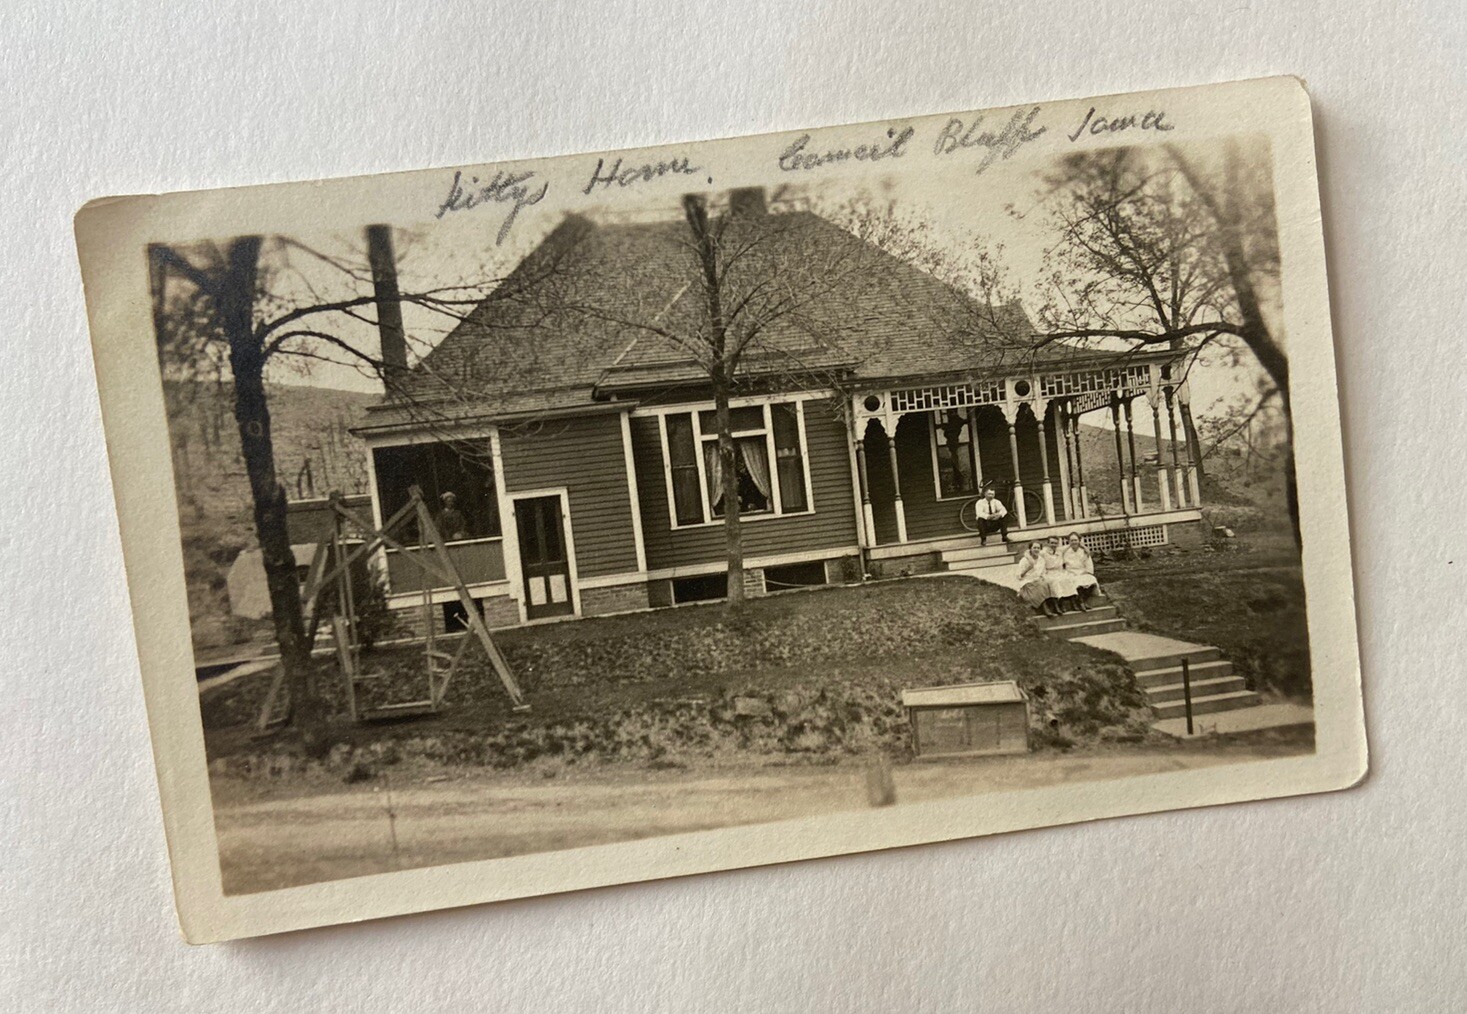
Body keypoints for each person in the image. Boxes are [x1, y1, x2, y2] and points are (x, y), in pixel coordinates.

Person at [1016, 541, 1061, 617]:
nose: (1036, 549)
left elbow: (1043, 572)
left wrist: (1044, 578)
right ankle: (1045, 609)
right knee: (1038, 586)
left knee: (1049, 582)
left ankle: (1056, 606)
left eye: (1038, 548)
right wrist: (1027, 569)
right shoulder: (1024, 560)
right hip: (1027, 581)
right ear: (1030, 549)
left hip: (1038, 579)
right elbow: (1018, 576)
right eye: (1034, 548)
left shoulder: (1041, 560)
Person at [1042, 535, 1082, 613]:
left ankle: (1073, 603)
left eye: (1055, 543)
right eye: (1052, 543)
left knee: (1068, 579)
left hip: (1060, 571)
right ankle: (1058, 605)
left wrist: (1085, 548)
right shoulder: (1043, 552)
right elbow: (1030, 553)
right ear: (1048, 543)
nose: (1054, 545)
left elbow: (1073, 544)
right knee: (1055, 582)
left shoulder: (1060, 550)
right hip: (1049, 572)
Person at [1061, 532, 1100, 611]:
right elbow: (1061, 564)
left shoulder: (1084, 551)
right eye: (1072, 540)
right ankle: (1081, 602)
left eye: (1076, 540)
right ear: (1069, 541)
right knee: (1074, 581)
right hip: (1070, 572)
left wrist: (1086, 572)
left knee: (1091, 580)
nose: (1074, 542)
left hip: (1082, 571)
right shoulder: (1065, 551)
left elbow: (1088, 564)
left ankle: (1082, 600)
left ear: (1079, 541)